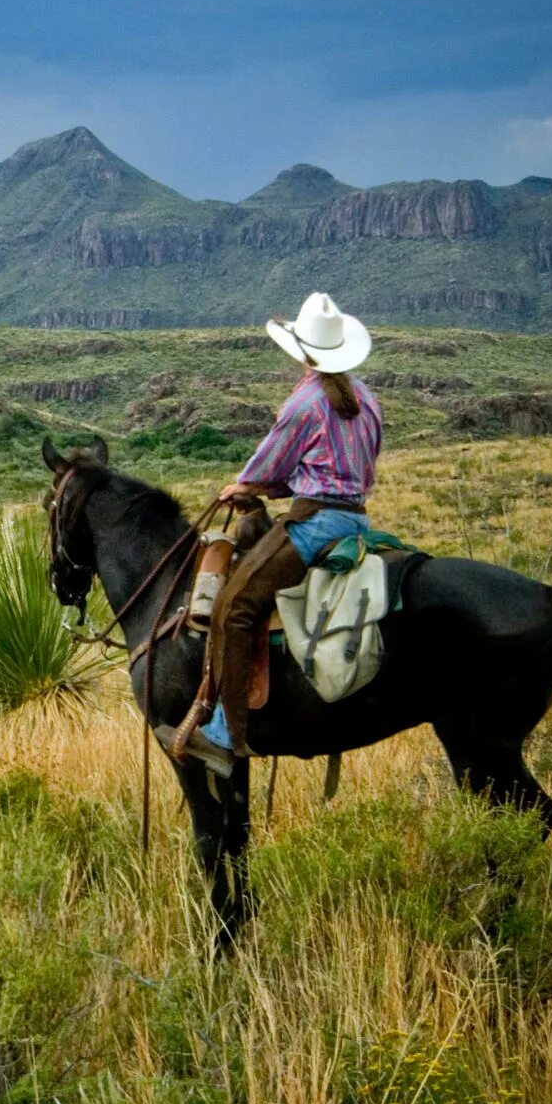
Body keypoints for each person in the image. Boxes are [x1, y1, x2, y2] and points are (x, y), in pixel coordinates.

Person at [196, 291, 383, 758]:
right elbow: (364, 470)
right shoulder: (365, 396)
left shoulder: (306, 402)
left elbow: (269, 465)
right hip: (357, 520)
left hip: (316, 522)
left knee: (234, 606)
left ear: (301, 353)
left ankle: (224, 734)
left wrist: (243, 486)